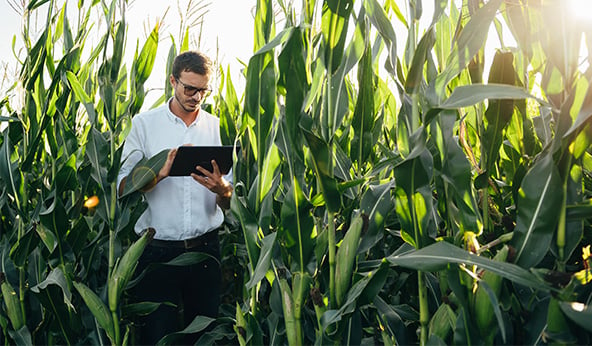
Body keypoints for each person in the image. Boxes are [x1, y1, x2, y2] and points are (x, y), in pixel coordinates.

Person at [117, 51, 233, 345]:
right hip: (157, 254)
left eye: (202, 90)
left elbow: (231, 197)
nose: (196, 96)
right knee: (157, 338)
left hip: (206, 250)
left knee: (205, 338)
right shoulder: (144, 125)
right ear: (173, 81)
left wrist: (223, 190)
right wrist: (157, 173)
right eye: (189, 88)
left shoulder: (215, 125)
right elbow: (120, 187)